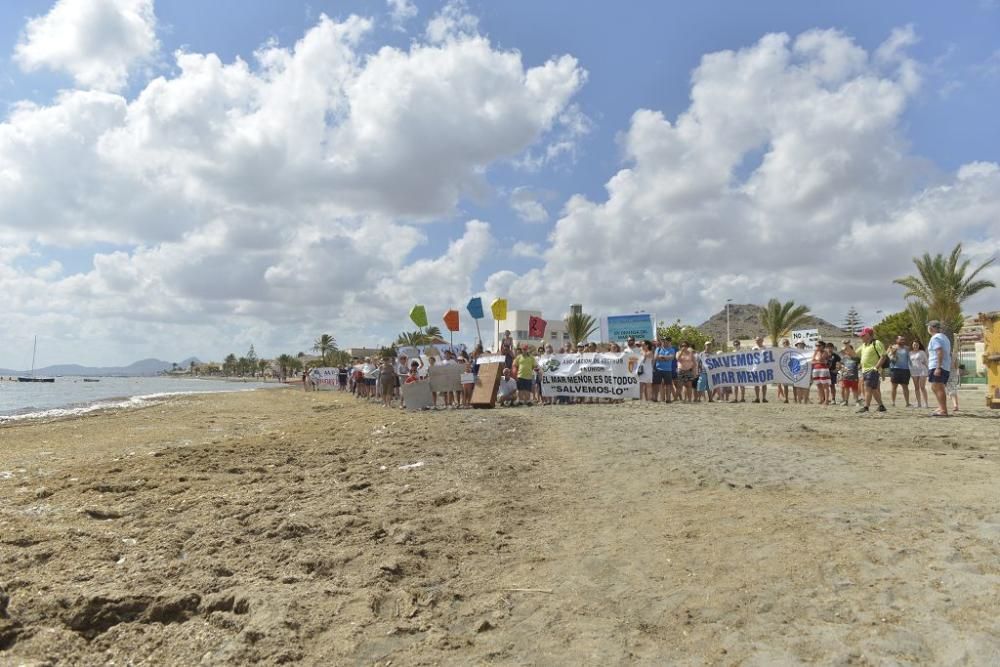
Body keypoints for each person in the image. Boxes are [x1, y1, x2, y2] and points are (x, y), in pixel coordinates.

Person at [857, 327, 888, 413]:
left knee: (868, 388)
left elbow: (883, 356)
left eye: (863, 335)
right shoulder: (864, 345)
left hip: (872, 370)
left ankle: (866, 407)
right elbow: (854, 354)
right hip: (865, 370)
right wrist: (847, 347)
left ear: (868, 335)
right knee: (873, 389)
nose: (861, 337)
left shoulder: (877, 343)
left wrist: (875, 368)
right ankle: (881, 406)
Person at [927, 320, 952, 416]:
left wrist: (938, 367)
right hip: (944, 366)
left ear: (931, 328)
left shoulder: (935, 338)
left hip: (938, 365)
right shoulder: (944, 337)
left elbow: (939, 352)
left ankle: (943, 410)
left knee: (938, 387)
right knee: (935, 387)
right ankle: (941, 407)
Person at [888, 335, 912, 407]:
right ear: (897, 340)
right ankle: (893, 402)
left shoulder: (907, 348)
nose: (903, 341)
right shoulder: (892, 347)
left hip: (905, 369)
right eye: (901, 339)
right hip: (895, 369)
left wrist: (912, 368)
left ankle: (907, 403)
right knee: (894, 386)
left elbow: (910, 359)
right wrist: (893, 353)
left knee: (905, 386)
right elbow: (890, 358)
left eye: (903, 339)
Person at [653, 337, 677, 403]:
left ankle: (668, 399)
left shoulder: (672, 349)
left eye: (665, 341)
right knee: (657, 384)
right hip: (658, 369)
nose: (664, 342)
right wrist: (665, 358)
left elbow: (671, 358)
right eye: (663, 341)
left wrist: (661, 357)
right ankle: (655, 398)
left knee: (668, 385)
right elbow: (655, 357)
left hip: (668, 370)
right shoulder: (658, 349)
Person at [908, 339, 929, 408]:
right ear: (912, 345)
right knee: (916, 388)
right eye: (914, 344)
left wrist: (928, 369)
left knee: (922, 387)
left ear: (919, 345)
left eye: (917, 345)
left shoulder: (922, 352)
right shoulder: (910, 353)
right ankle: (919, 403)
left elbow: (926, 361)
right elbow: (908, 363)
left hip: (922, 370)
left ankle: (926, 403)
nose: (915, 346)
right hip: (914, 371)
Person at [811, 341, 831, 405]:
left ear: (823, 346)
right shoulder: (816, 352)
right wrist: (818, 361)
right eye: (816, 345)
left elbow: (821, 359)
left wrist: (817, 361)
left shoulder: (825, 352)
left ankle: (826, 400)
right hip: (816, 369)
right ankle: (821, 399)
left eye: (819, 345)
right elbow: (812, 361)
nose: (817, 347)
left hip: (823, 369)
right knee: (818, 385)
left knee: (825, 386)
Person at [751, 336, 769, 403]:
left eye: (759, 340)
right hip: (755, 368)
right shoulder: (753, 348)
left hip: (764, 369)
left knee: (764, 384)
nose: (757, 341)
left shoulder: (765, 348)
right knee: (756, 384)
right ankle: (757, 398)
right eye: (756, 340)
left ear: (762, 341)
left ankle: (764, 398)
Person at [776, 338, 791, 403]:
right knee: (779, 384)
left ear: (788, 343)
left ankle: (786, 398)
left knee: (786, 385)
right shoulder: (781, 350)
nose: (785, 344)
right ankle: (781, 396)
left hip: (788, 369)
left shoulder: (791, 350)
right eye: (784, 343)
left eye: (786, 342)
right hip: (781, 368)